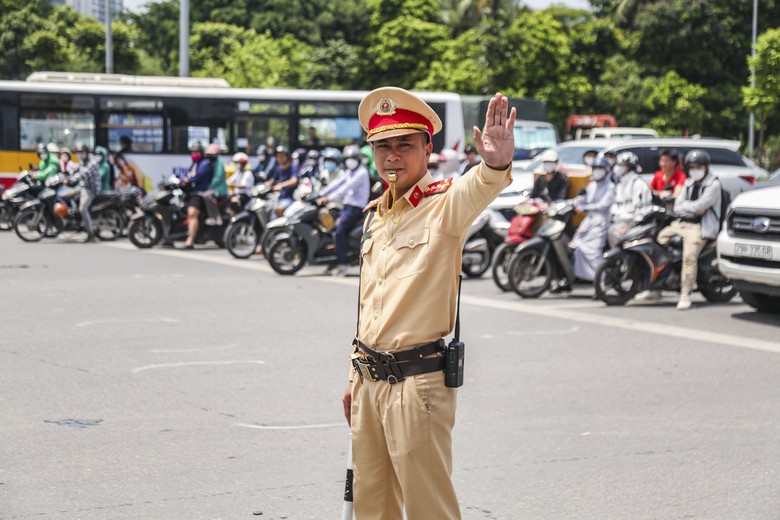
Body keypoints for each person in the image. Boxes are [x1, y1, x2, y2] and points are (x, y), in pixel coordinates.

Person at [343, 88, 515, 519]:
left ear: (427, 148)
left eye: (405, 145)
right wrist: (353, 375)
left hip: (416, 385)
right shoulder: (376, 215)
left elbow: (478, 187)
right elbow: (369, 306)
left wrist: (494, 162)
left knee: (427, 507)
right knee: (371, 504)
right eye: (383, 146)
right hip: (369, 381)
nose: (393, 156)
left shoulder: (443, 205)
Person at [656, 150, 722, 311]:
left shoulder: (713, 184)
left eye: (698, 166)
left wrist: (691, 208)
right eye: (692, 167)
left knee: (689, 258)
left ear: (706, 167)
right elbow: (678, 205)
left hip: (700, 227)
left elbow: (701, 207)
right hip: (682, 223)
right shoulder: (689, 183)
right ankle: (657, 287)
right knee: (659, 240)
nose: (695, 169)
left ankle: (685, 293)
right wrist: (691, 209)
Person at [569, 156, 616, 284]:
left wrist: (584, 207)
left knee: (594, 252)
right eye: (595, 168)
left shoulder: (610, 187)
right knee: (577, 247)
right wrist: (571, 203)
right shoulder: (591, 185)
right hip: (588, 222)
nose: (597, 170)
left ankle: (601, 281)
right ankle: (585, 278)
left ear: (607, 170)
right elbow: (581, 199)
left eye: (601, 168)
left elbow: (603, 205)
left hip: (601, 223)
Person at [608, 151, 651, 247]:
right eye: (618, 164)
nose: (618, 167)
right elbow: (616, 205)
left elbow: (642, 211)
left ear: (630, 167)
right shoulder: (620, 184)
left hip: (631, 224)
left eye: (622, 165)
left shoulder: (638, 184)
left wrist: (630, 226)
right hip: (617, 222)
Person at [180, 142, 214, 249]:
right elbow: (186, 175)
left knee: (192, 213)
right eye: (193, 152)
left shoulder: (205, 164)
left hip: (200, 194)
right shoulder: (193, 164)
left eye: (197, 152)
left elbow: (197, 177)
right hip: (190, 193)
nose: (194, 154)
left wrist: (187, 181)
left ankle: (190, 240)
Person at [67, 143, 101, 242]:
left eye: (81, 152)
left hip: (90, 189)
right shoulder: (82, 161)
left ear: (86, 152)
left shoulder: (92, 163)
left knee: (83, 209)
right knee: (64, 195)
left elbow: (83, 174)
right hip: (82, 186)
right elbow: (76, 169)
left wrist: (71, 179)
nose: (79, 154)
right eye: (78, 152)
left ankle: (91, 235)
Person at [265, 145, 299, 217]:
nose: (280, 158)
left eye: (282, 156)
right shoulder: (279, 168)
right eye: (278, 156)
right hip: (280, 197)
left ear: (287, 156)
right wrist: (264, 185)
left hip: (291, 197)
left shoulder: (293, 166)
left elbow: (294, 180)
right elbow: (273, 180)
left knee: (279, 210)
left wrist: (280, 185)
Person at [203, 143, 228, 225]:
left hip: (219, 188)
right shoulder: (210, 163)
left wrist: (208, 187)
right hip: (213, 187)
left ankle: (215, 217)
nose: (209, 156)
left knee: (206, 195)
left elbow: (218, 179)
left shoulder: (219, 164)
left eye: (211, 155)